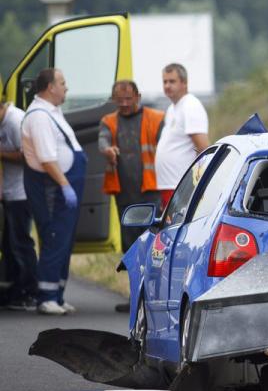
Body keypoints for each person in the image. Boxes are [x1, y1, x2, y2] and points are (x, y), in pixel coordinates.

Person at [21, 68, 85, 316]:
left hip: (63, 184)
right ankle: (46, 297)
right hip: (53, 186)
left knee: (64, 241)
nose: (66, 87)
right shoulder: (38, 116)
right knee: (54, 238)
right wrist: (65, 185)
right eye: (63, 82)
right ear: (50, 87)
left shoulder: (52, 112)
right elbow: (47, 159)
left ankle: (57, 294)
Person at [99, 80, 164, 252]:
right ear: (113, 99)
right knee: (129, 242)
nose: (124, 104)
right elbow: (103, 140)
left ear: (138, 97)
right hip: (124, 193)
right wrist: (108, 150)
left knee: (151, 238)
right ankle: (133, 276)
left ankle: (151, 276)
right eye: (119, 100)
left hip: (150, 190)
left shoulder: (156, 118)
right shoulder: (109, 121)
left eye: (128, 98)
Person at [1, 93, 37, 311]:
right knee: (10, 244)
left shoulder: (15, 121)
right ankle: (15, 289)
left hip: (22, 192)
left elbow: (28, 156)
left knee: (21, 243)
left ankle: (29, 291)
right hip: (10, 192)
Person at [156, 62, 209, 207]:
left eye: (172, 81)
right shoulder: (172, 108)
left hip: (181, 186)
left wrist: (197, 185)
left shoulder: (190, 106)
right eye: (165, 81)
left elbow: (203, 148)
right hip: (169, 185)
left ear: (184, 83)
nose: (167, 85)